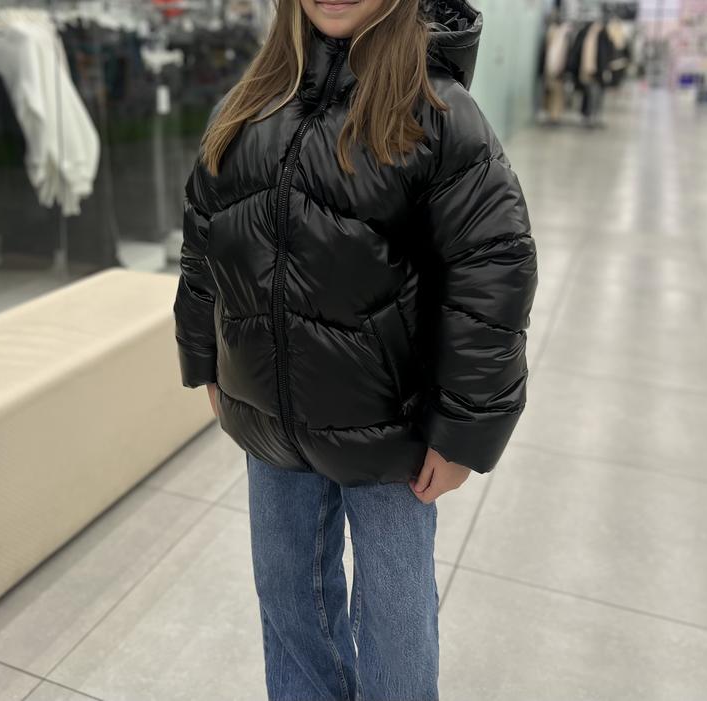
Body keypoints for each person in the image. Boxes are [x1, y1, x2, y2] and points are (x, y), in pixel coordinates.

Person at [172, 0, 538, 698]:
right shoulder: (249, 105)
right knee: (287, 598)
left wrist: (464, 430)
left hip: (391, 433)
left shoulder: (438, 113)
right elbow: (202, 245)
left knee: (396, 624)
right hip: (270, 418)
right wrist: (207, 360)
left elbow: (493, 270)